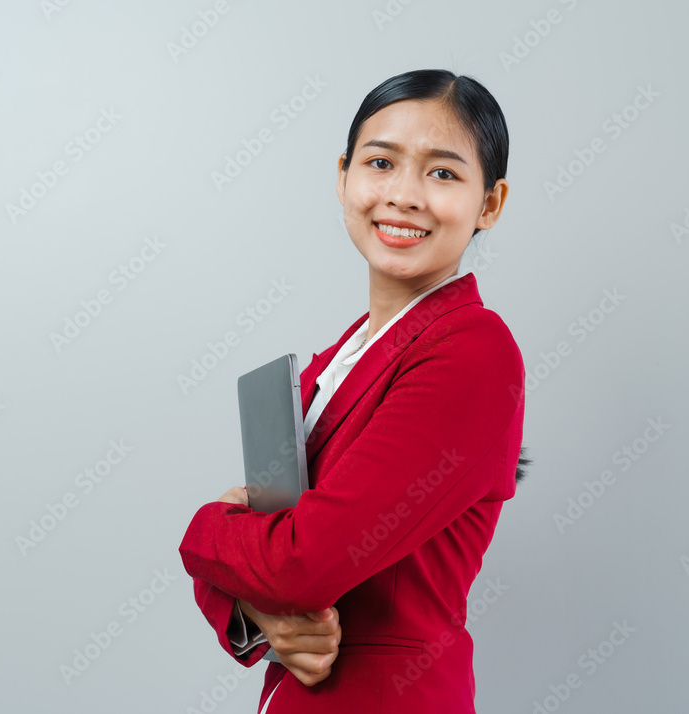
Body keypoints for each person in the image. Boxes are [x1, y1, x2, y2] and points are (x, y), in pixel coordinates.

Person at [179, 68, 529, 714]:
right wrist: (260, 610)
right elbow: (274, 571)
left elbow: (301, 562)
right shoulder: (338, 361)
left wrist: (204, 531)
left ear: (490, 204)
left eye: (443, 173)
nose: (404, 195)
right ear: (343, 177)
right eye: (381, 163)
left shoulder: (473, 351)